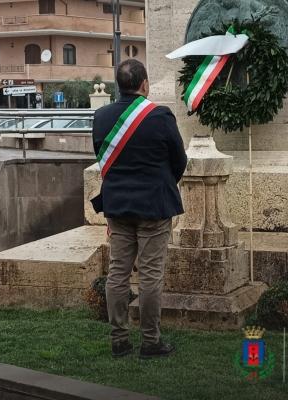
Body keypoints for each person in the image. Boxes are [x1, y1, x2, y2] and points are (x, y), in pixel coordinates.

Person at [91, 59, 187, 359]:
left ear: (119, 85)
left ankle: (119, 340)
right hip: (154, 206)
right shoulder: (160, 116)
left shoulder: (102, 116)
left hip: (118, 206)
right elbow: (179, 160)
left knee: (118, 273)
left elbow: (102, 158)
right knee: (150, 275)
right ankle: (150, 341)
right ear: (145, 84)